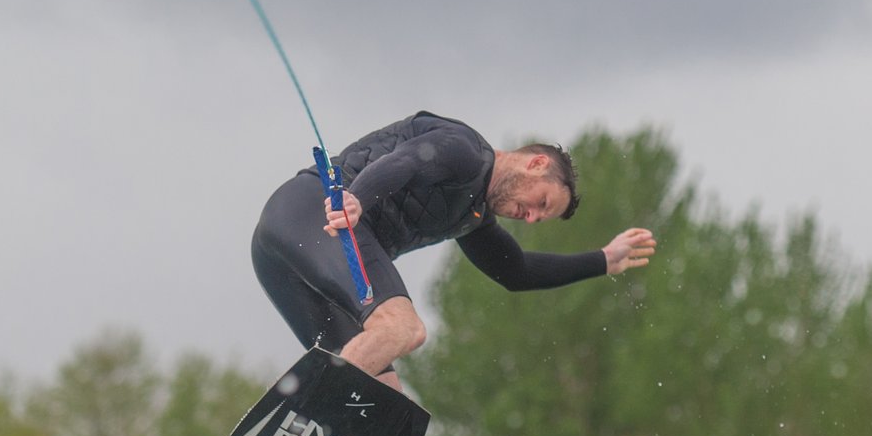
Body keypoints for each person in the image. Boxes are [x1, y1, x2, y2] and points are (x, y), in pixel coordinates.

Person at [251, 111, 656, 390]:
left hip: (287, 258)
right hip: (309, 215)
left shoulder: (473, 215)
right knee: (402, 328)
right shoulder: (464, 149)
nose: (531, 218)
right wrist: (356, 198)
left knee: (382, 397)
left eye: (539, 218)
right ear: (535, 165)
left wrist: (603, 260)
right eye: (541, 204)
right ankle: (304, 417)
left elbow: (517, 272)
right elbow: (407, 162)